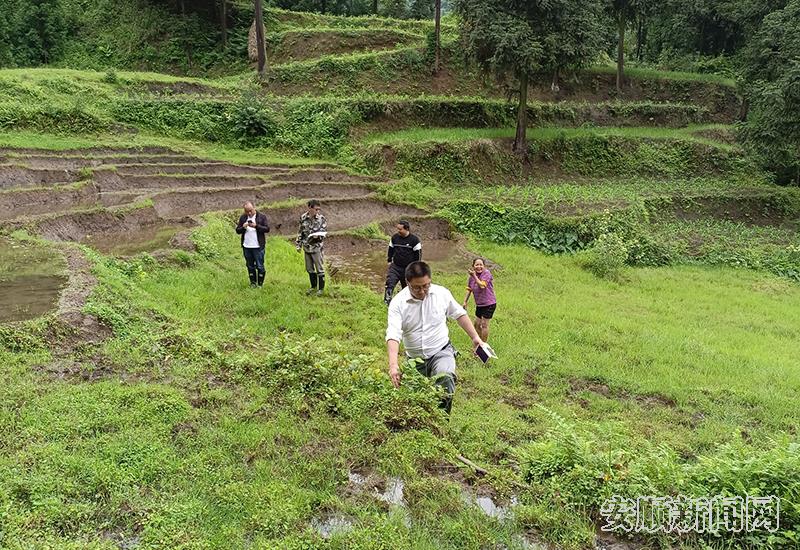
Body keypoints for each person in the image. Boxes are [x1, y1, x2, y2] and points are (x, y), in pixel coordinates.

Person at [386, 261, 485, 414]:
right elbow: (393, 334)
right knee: (411, 401)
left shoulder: (441, 294)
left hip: (441, 351)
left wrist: (475, 337)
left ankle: (442, 422)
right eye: (417, 287)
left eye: (426, 285)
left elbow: (459, 314)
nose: (422, 291)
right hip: (414, 359)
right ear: (407, 283)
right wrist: (393, 365)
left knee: (445, 378)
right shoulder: (398, 303)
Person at [384, 220, 422, 305]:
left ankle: (407, 303)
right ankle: (387, 302)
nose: (398, 231)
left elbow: (418, 256)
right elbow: (391, 249)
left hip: (408, 268)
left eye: (400, 229)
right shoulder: (394, 238)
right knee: (390, 283)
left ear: (406, 229)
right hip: (396, 266)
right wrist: (389, 261)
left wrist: (415, 268)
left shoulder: (414, 240)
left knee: (407, 288)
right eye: (397, 229)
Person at [296, 199, 328, 296]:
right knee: (309, 268)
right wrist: (298, 244)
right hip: (307, 247)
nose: (317, 212)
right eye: (316, 209)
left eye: (319, 210)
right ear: (310, 208)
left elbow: (324, 231)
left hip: (317, 247)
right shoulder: (303, 217)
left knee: (319, 269)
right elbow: (300, 232)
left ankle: (321, 289)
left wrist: (318, 236)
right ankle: (313, 286)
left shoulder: (321, 219)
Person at [235, 202, 270, 288]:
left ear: (254, 208)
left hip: (258, 246)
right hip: (246, 246)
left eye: (250, 211)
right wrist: (243, 227)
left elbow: (267, 229)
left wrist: (256, 226)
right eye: (247, 211)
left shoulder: (262, 217)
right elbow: (237, 230)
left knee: (260, 266)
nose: (249, 213)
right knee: (250, 266)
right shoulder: (243, 217)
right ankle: (253, 283)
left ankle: (260, 284)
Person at [462, 258, 497, 342]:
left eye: (481, 265)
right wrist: (465, 301)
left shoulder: (486, 274)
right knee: (476, 324)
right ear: (473, 266)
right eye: (477, 265)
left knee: (484, 325)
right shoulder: (471, 277)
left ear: (484, 266)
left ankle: (483, 346)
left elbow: (482, 285)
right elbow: (469, 289)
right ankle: (479, 342)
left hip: (489, 304)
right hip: (480, 304)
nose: (479, 267)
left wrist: (474, 276)